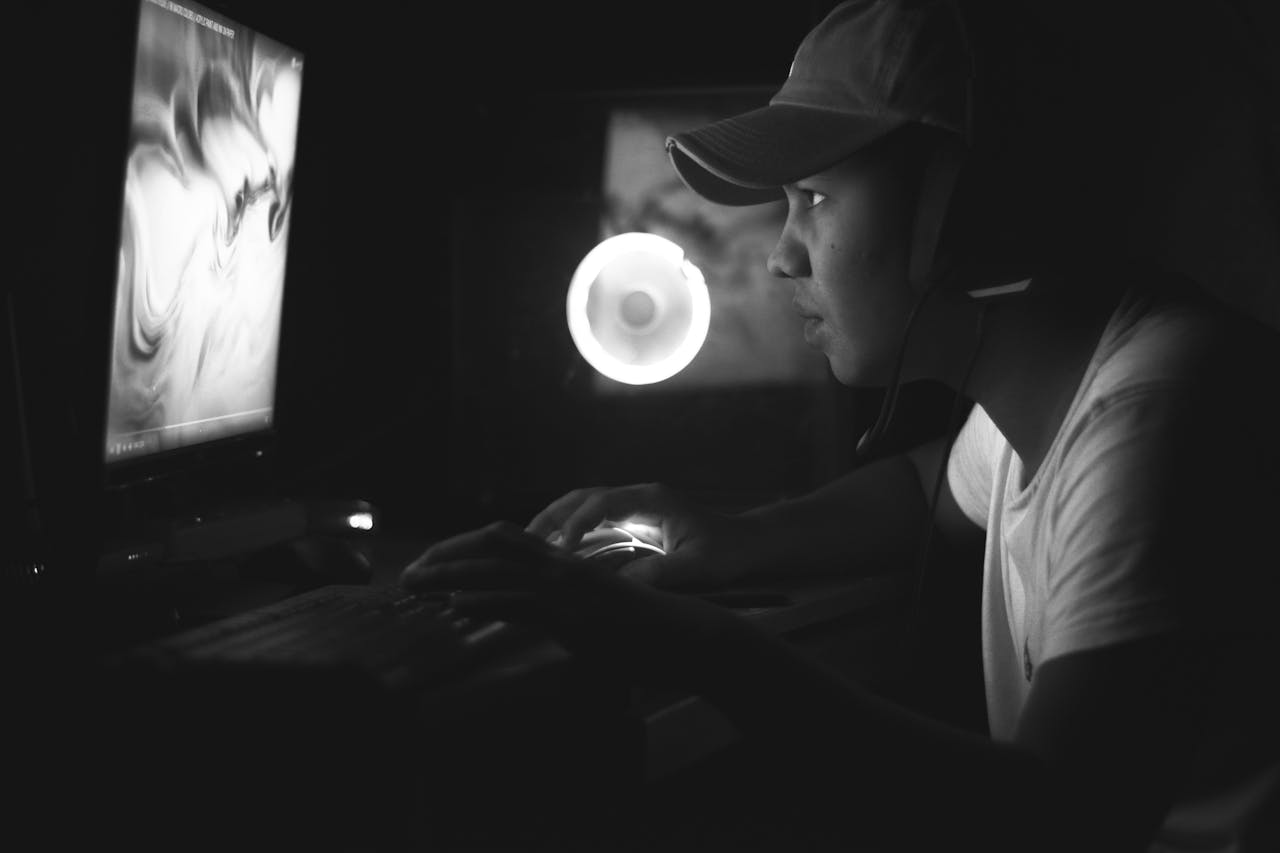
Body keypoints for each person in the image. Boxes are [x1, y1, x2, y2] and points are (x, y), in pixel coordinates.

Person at [401, 1, 1280, 850]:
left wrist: (709, 649)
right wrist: (737, 537)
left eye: (813, 199)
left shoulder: (1156, 416)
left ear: (964, 205)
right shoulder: (1064, 386)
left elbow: (1056, 819)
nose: (782, 254)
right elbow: (926, 487)